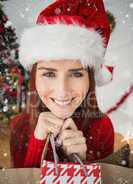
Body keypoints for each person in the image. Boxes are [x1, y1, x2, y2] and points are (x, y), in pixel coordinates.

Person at [10, 0, 115, 168]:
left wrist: (82, 161)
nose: (62, 91)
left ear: (90, 79)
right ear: (35, 77)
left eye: (76, 74)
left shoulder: (102, 128)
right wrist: (38, 143)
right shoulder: (19, 127)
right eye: (49, 74)